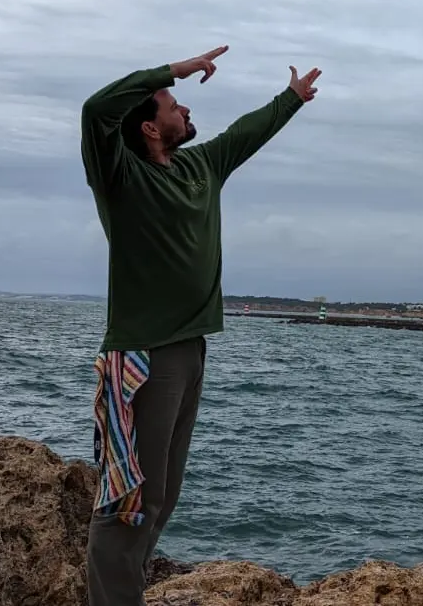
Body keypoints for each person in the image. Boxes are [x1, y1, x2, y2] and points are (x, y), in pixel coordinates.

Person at [80, 46, 321, 605]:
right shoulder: (121, 178)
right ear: (148, 126)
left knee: (161, 496)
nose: (183, 108)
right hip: (143, 357)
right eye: (171, 104)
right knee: (128, 498)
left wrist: (291, 99)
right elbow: (96, 111)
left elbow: (243, 134)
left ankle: (126, 593)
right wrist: (170, 70)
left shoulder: (198, 166)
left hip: (190, 351)